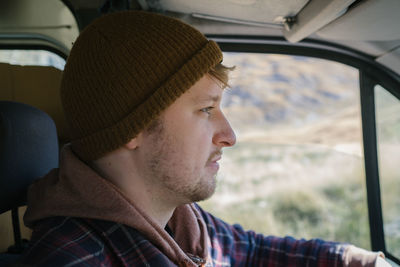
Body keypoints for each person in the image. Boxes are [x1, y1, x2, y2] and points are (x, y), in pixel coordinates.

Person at [20, 11, 390, 267]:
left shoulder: (180, 224)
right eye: (206, 110)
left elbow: (253, 251)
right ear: (133, 127)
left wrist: (362, 261)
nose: (229, 136)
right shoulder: (75, 258)